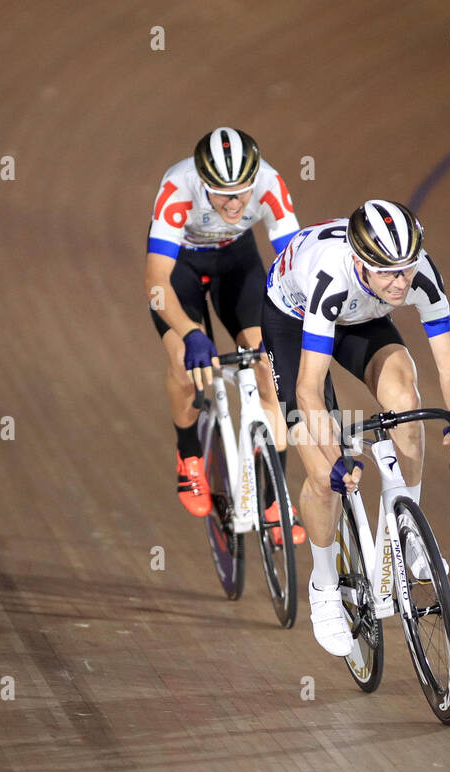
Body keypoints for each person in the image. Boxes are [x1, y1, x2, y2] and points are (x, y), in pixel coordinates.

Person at [262, 199, 450, 656]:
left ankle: (410, 540)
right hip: (295, 318)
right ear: (361, 262)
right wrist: (334, 458)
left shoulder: (414, 273)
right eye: (388, 274)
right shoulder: (331, 279)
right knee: (323, 476)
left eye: (406, 270)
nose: (401, 283)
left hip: (362, 315)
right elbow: (308, 391)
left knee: (408, 403)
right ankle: (323, 587)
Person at [144, 127, 305, 544]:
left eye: (242, 193)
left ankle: (274, 498)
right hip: (181, 264)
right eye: (222, 194)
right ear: (202, 182)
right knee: (186, 361)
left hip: (237, 263)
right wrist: (190, 332)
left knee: (270, 366)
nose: (234, 204)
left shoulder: (269, 184)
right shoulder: (178, 186)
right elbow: (157, 281)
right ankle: (189, 455)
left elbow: (297, 264)